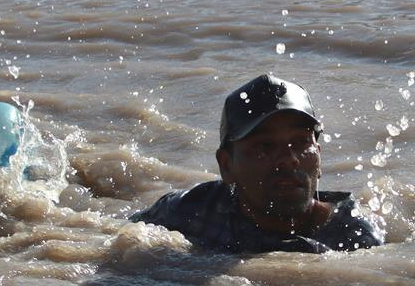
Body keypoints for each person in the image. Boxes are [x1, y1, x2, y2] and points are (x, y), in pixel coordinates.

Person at [130, 74, 383, 253]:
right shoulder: (191, 211)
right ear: (226, 165)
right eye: (265, 146)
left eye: (300, 142)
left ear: (319, 156)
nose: (289, 158)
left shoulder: (352, 238)